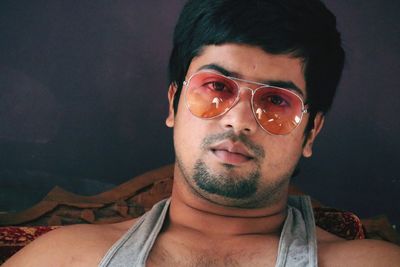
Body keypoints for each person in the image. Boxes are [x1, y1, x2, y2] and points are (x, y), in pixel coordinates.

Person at [4, 0, 400, 266]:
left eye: (277, 102)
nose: (238, 120)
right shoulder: (62, 258)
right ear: (173, 103)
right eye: (217, 87)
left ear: (311, 133)